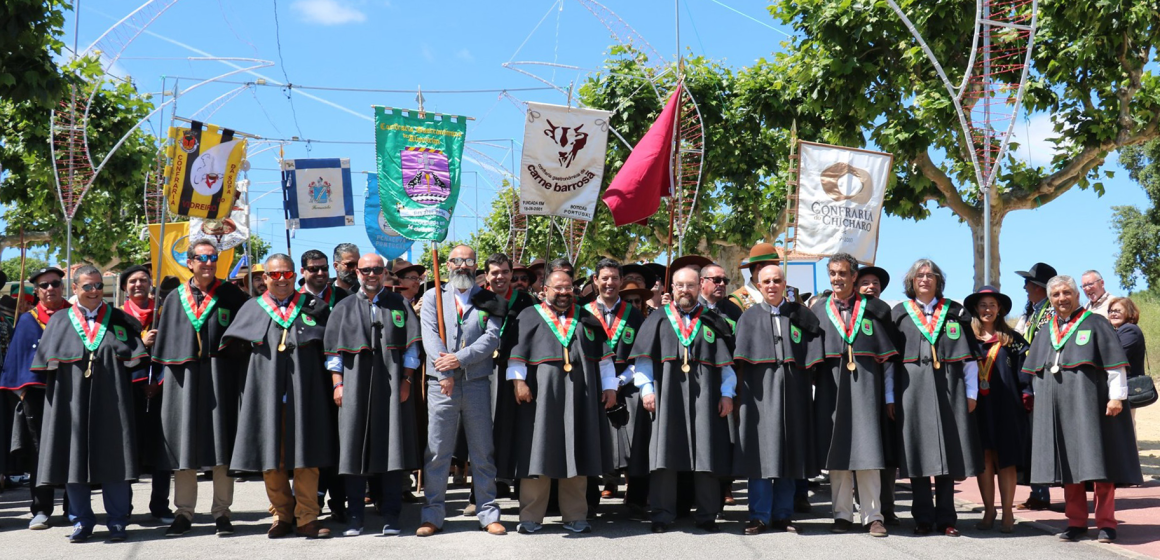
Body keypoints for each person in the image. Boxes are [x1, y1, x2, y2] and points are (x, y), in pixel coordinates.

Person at [1022, 275, 1142, 544]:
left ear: (1076, 295)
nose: (1061, 298)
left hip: (1093, 406)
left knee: (1101, 466)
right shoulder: (1046, 329)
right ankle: (1075, 522)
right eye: (1056, 295)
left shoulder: (1096, 323)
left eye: (1067, 293)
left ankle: (1106, 524)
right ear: (1050, 299)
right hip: (1058, 409)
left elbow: (1115, 364)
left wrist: (1117, 397)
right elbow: (1036, 373)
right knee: (1069, 468)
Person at [32, 265, 146, 543]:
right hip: (71, 404)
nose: (94, 291)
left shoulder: (119, 319)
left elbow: (135, 359)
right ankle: (82, 521)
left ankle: (118, 521)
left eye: (98, 286)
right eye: (88, 286)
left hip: (112, 402)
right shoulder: (59, 321)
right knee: (74, 461)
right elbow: (43, 367)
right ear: (74, 289)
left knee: (115, 460)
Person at [224, 254, 335, 539]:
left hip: (306, 395)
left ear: (295, 274)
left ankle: (308, 517)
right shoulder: (252, 308)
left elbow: (331, 348)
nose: (281, 280)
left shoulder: (315, 307)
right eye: (275, 275)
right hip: (265, 397)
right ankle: (282, 515)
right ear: (264, 278)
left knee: (306, 456)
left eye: (286, 274)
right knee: (272, 458)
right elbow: (232, 353)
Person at [507, 270, 617, 534]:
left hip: (582, 397)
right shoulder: (529, 315)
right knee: (537, 453)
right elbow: (515, 355)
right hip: (540, 398)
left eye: (568, 288)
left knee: (576, 451)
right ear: (545, 290)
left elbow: (605, 360)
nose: (564, 293)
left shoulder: (587, 318)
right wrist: (518, 382)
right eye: (558, 288)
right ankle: (531, 517)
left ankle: (576, 516)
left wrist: (611, 387)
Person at [152, 240, 249, 537]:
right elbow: (165, 344)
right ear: (190, 262)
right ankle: (183, 512)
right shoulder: (174, 298)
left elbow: (247, 334)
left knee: (222, 445)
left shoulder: (232, 295)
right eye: (202, 257)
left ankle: (222, 512)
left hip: (221, 377)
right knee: (184, 445)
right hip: (184, 379)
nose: (208, 262)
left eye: (213, 257)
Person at [630, 267, 736, 534]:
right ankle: (662, 515)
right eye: (680, 286)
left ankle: (707, 515)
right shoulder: (656, 319)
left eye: (690, 286)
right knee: (664, 454)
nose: (685, 291)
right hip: (666, 395)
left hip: (706, 397)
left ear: (699, 287)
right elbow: (643, 360)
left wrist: (727, 393)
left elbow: (726, 365)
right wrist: (646, 391)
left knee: (706, 453)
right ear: (672, 289)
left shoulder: (712, 319)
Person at [324, 254, 422, 537]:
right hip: (353, 386)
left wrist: (406, 380)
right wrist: (337, 385)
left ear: (383, 273)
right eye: (365, 270)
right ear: (357, 271)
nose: (371, 274)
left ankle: (391, 516)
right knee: (355, 450)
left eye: (376, 270)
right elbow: (334, 355)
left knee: (393, 449)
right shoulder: (343, 307)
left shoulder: (400, 304)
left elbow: (412, 350)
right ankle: (355, 517)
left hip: (393, 386)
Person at [416, 245, 507, 537]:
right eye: (457, 261)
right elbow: (429, 336)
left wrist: (459, 359)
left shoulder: (488, 299)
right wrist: (445, 371)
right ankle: (433, 514)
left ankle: (488, 512)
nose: (462, 266)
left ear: (475, 265)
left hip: (477, 382)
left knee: (482, 451)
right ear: (448, 265)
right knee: (438, 451)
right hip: (440, 385)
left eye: (468, 261)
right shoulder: (432, 297)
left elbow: (491, 339)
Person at [889, 260, 982, 537]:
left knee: (948, 452)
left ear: (938, 281)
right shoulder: (899, 314)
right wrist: (890, 396)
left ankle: (947, 518)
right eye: (920, 275)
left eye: (931, 275)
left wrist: (971, 392)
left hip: (949, 390)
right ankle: (922, 518)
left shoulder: (955, 312)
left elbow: (969, 359)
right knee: (917, 452)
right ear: (912, 281)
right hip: (911, 391)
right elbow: (890, 363)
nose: (925, 279)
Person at [811, 253, 897, 537]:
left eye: (843, 274)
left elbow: (887, 360)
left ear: (854, 277)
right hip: (831, 387)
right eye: (833, 273)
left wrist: (888, 397)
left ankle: (873, 516)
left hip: (866, 386)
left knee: (868, 448)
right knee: (837, 449)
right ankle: (842, 515)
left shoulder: (875, 310)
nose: (837, 278)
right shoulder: (819, 311)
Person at [734, 264, 821, 534]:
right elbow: (739, 362)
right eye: (766, 281)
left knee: (790, 451)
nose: (772, 285)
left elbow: (814, 355)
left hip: (795, 393)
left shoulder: (800, 315)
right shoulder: (748, 317)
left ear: (785, 284)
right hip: (759, 396)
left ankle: (784, 514)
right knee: (760, 454)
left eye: (777, 280)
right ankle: (759, 515)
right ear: (759, 286)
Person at [0, 267, 71, 530]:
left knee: (72, 449)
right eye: (44, 285)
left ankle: (73, 507)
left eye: (55, 283)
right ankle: (41, 509)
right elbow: (16, 360)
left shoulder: (74, 316)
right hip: (37, 396)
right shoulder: (28, 321)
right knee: (39, 453)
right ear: (37, 291)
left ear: (63, 287)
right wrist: (22, 391)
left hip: (73, 392)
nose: (50, 288)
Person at [583, 259, 647, 512]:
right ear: (595, 280)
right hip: (593, 384)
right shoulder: (584, 312)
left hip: (627, 382)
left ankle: (636, 500)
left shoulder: (634, 314)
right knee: (590, 439)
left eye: (614, 278)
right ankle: (588, 501)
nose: (610, 283)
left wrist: (621, 380)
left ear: (621, 281)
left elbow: (641, 356)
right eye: (605, 278)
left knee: (637, 438)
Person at [965, 285, 1030, 534]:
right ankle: (989, 509)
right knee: (985, 458)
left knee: (1006, 459)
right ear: (975, 309)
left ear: (999, 308)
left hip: (1007, 407)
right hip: (977, 407)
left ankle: (1008, 512)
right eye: (982, 305)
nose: (987, 309)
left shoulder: (1013, 340)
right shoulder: (967, 340)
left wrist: (1027, 396)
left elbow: (1026, 372)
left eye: (992, 304)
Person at [297, 249, 349, 523]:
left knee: (339, 441)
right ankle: (311, 501)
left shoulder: (343, 298)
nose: (320, 273)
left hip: (340, 381)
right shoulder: (295, 302)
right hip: (307, 381)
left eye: (323, 268)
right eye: (313, 269)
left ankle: (339, 501)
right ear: (303, 271)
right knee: (314, 440)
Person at [120, 264, 174, 524]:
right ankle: (124, 505)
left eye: (143, 280)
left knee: (162, 448)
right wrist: (142, 343)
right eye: (132, 282)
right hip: (128, 390)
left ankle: (160, 505)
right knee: (128, 448)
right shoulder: (117, 317)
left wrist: (160, 382)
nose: (138, 285)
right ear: (124, 288)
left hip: (161, 387)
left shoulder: (164, 313)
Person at [484, 253, 537, 512]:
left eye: (506, 272)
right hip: (483, 370)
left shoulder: (527, 301)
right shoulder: (477, 298)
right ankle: (480, 492)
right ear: (486, 275)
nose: (501, 277)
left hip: (516, 371)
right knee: (482, 430)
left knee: (517, 428)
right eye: (496, 272)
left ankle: (518, 484)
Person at [853, 265, 896, 524]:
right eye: (865, 282)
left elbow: (891, 360)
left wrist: (890, 396)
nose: (871, 286)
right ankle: (864, 504)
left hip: (884, 392)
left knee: (887, 451)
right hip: (859, 390)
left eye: (875, 283)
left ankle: (887, 507)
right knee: (862, 448)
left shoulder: (885, 314)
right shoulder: (848, 313)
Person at [1012, 261, 1056, 511]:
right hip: (1027, 377)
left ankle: (1042, 492)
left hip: (1042, 378)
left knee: (1040, 437)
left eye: (1028, 282)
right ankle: (1038, 491)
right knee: (1031, 438)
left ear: (1039, 287)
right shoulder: (1030, 312)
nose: (1025, 286)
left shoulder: (1050, 313)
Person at [1107, 296, 1146, 427]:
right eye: (1111, 311)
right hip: (1121, 388)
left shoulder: (1130, 330)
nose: (1113, 313)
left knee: (1125, 430)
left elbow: (1116, 356)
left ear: (1129, 312)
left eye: (1118, 310)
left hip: (1125, 389)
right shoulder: (1118, 330)